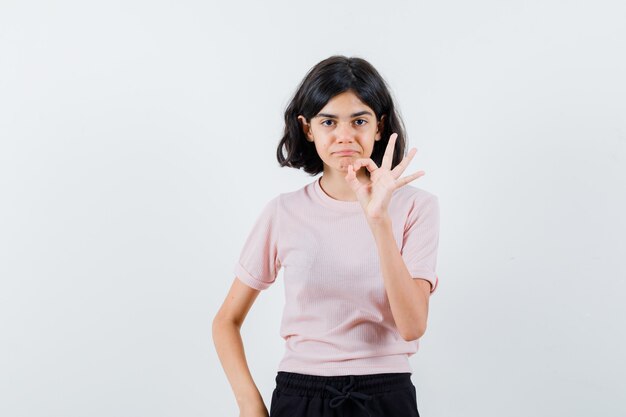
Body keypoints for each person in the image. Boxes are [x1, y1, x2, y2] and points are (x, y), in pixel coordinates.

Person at [212, 55, 440, 417]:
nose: (344, 136)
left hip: (385, 395)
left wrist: (378, 219)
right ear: (307, 129)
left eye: (359, 120)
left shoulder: (416, 207)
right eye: (329, 121)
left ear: (379, 127)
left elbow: (412, 326)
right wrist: (249, 404)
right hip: (301, 395)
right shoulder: (283, 211)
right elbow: (226, 321)